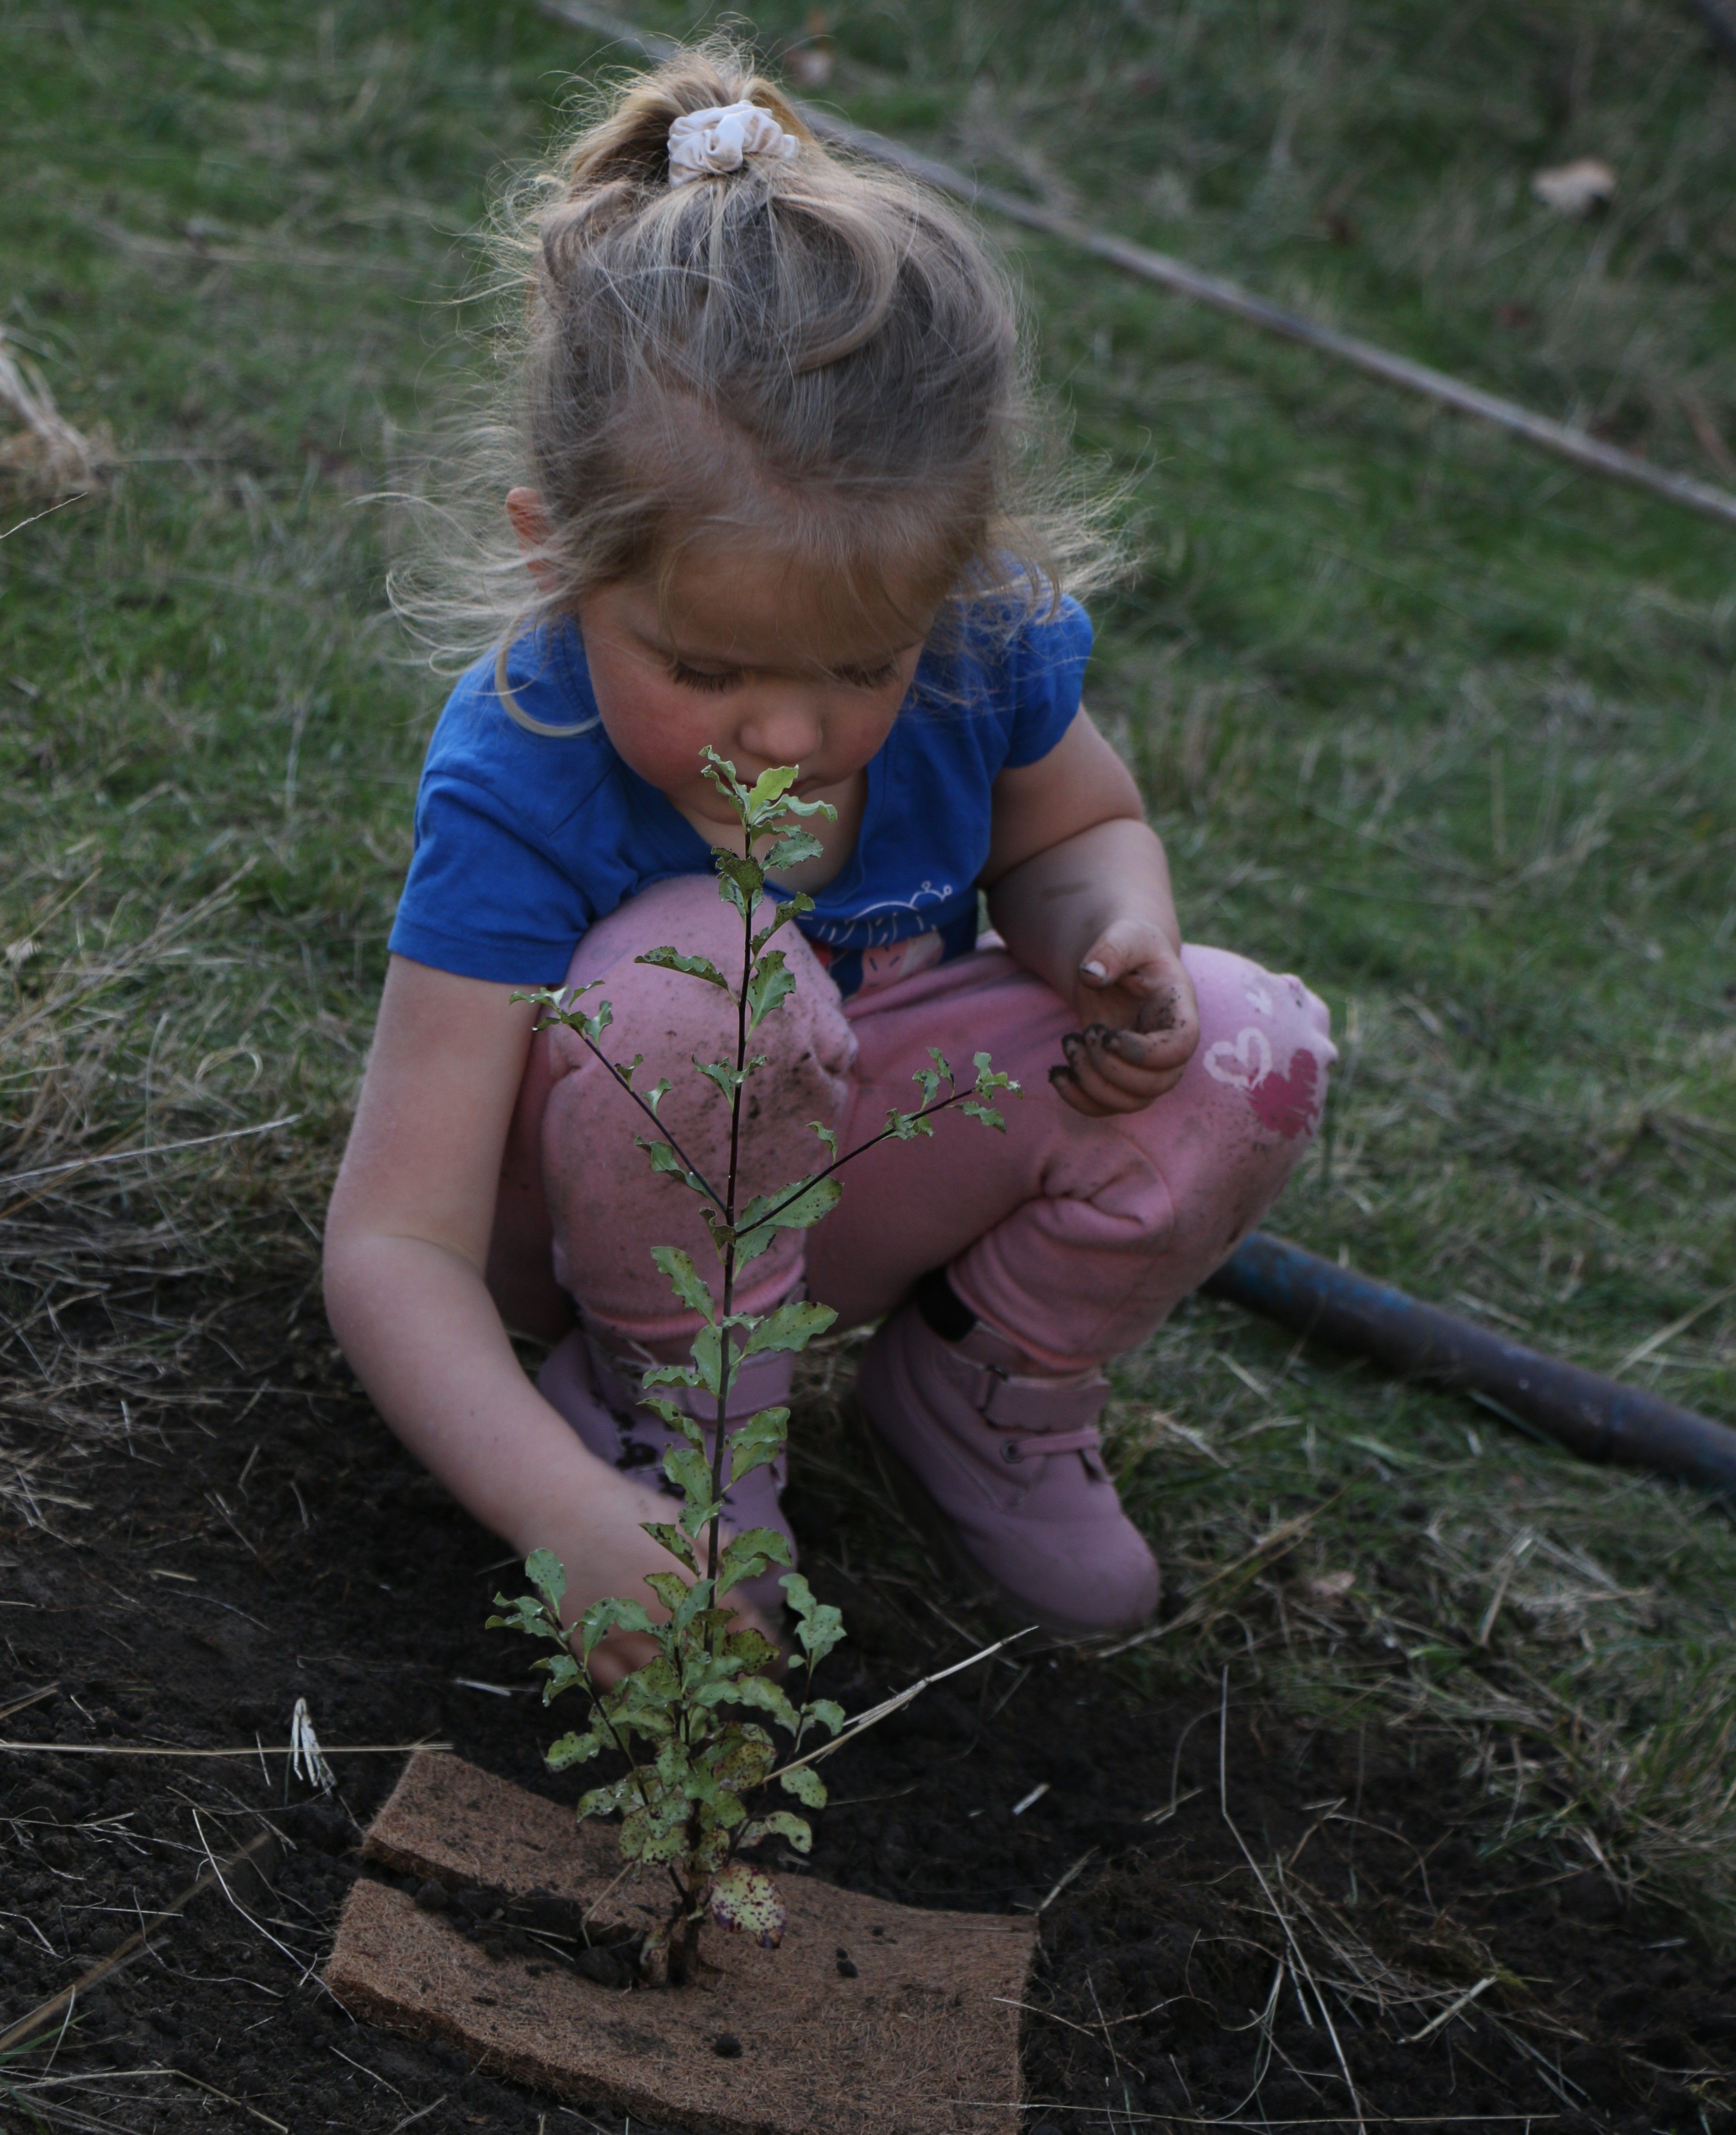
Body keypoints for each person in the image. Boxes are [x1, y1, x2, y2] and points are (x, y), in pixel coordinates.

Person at [323, 44, 1334, 1683]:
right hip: (595, 1247)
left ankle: (974, 1383)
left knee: (1243, 1046)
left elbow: (1080, 829)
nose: (788, 733)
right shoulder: (526, 767)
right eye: (707, 673)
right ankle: (668, 1443)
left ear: (956, 586)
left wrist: (1111, 934)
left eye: (862, 668)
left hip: (844, 1158)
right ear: (554, 560)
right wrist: (555, 1510)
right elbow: (397, 1244)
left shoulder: (972, 654)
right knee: (694, 985)